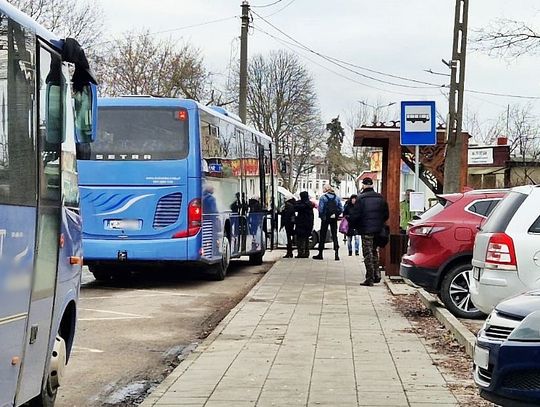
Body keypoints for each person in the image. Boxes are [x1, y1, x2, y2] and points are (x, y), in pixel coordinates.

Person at [350, 177, 389, 286]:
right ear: (372, 185)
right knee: (374, 251)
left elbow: (356, 215)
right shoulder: (380, 198)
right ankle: (377, 275)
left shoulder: (360, 199)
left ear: (363, 185)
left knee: (367, 253)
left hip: (366, 230)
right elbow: (386, 214)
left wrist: (354, 226)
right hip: (378, 229)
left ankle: (369, 278)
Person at [313, 184, 343, 261]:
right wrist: (336, 215)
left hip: (325, 218)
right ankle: (336, 254)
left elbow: (321, 209)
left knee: (322, 235)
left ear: (326, 189)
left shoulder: (323, 198)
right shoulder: (336, 197)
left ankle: (320, 253)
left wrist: (322, 217)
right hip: (333, 218)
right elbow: (340, 208)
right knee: (334, 235)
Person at [294, 191, 314, 258]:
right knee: (306, 238)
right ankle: (306, 252)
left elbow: (296, 207)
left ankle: (300, 252)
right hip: (308, 224)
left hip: (301, 223)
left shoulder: (301, 204)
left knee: (300, 239)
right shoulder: (310, 204)